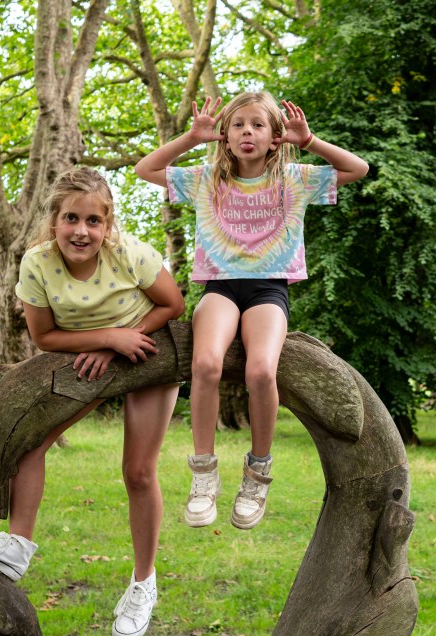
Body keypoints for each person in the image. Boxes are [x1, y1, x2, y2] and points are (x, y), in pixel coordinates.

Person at [0, 167, 184, 636]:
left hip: (147, 354)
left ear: (107, 223)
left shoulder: (128, 254)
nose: (83, 230)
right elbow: (43, 336)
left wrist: (122, 341)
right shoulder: (36, 264)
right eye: (72, 219)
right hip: (89, 357)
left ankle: (143, 583)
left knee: (138, 471)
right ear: (54, 221)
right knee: (29, 444)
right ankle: (17, 546)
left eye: (94, 221)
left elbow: (173, 305)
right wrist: (103, 340)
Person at [135, 92, 368, 530]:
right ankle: (204, 475)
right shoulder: (207, 179)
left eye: (258, 125)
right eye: (238, 124)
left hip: (268, 289)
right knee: (205, 364)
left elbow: (358, 169)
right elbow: (145, 170)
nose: (247, 132)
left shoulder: (295, 179)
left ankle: (257, 474)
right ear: (224, 135)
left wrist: (310, 140)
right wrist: (191, 136)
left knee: (261, 370)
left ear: (275, 136)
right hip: (220, 288)